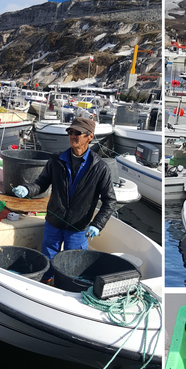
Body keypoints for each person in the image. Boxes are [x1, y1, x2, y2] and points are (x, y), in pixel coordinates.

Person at [12, 117, 117, 282]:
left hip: (78, 227)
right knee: (47, 262)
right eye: (70, 132)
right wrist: (27, 189)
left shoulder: (100, 168)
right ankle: (46, 285)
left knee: (72, 266)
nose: (72, 136)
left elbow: (110, 201)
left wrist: (97, 225)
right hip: (54, 222)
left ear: (90, 136)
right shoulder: (56, 160)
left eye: (78, 133)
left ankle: (65, 288)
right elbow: (41, 183)